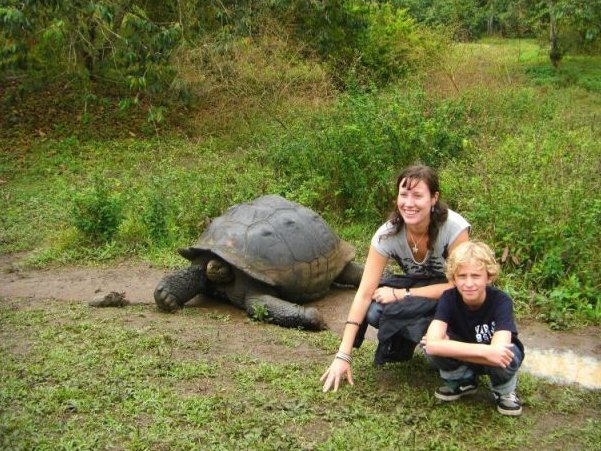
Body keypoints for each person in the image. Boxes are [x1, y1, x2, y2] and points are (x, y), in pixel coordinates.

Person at [321, 165, 470, 392]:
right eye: (403, 194)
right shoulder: (387, 235)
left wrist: (403, 294)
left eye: (418, 195)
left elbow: (461, 285)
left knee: (437, 351)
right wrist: (343, 355)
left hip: (453, 296)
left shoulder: (453, 228)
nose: (408, 203)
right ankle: (414, 341)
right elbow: (363, 293)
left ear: (434, 198)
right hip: (420, 291)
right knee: (375, 310)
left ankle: (449, 348)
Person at [423, 241, 524, 416]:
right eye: (462, 276)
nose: (469, 283)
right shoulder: (448, 297)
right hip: (480, 354)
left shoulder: (501, 301)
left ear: (489, 277)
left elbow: (499, 353)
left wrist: (447, 347)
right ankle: (463, 381)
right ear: (453, 278)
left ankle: (504, 390)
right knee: (430, 351)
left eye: (476, 276)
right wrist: (486, 352)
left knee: (508, 355)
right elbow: (431, 345)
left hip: (494, 360)